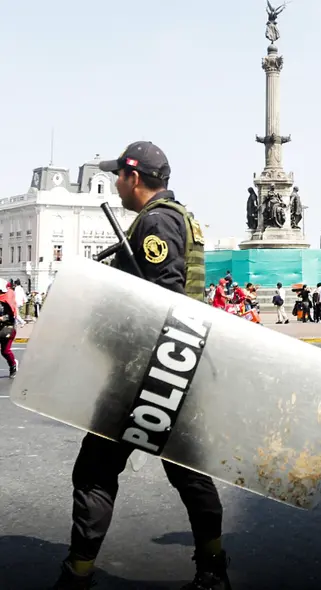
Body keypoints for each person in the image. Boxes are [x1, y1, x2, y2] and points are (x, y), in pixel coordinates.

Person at [55, 142, 228, 590]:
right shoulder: (182, 217)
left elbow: (160, 297)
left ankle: (78, 573)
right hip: (178, 364)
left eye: (119, 176)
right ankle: (212, 571)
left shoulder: (155, 221)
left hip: (145, 372)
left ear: (134, 178)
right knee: (190, 475)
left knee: (95, 471)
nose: (115, 183)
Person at [0, 283, 17, 377]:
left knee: (5, 351)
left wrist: (2, 318)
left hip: (7, 328)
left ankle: (13, 365)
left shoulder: (7, 300)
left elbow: (11, 316)